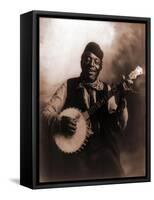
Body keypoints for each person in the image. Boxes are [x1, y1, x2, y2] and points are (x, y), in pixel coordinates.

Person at [42, 42, 128, 181]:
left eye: (96, 61)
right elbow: (46, 113)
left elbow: (119, 125)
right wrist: (58, 122)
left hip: (102, 149)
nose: (91, 65)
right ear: (81, 62)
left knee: (114, 172)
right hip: (75, 151)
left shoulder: (107, 90)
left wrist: (122, 102)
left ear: (100, 66)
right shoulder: (68, 85)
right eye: (87, 59)